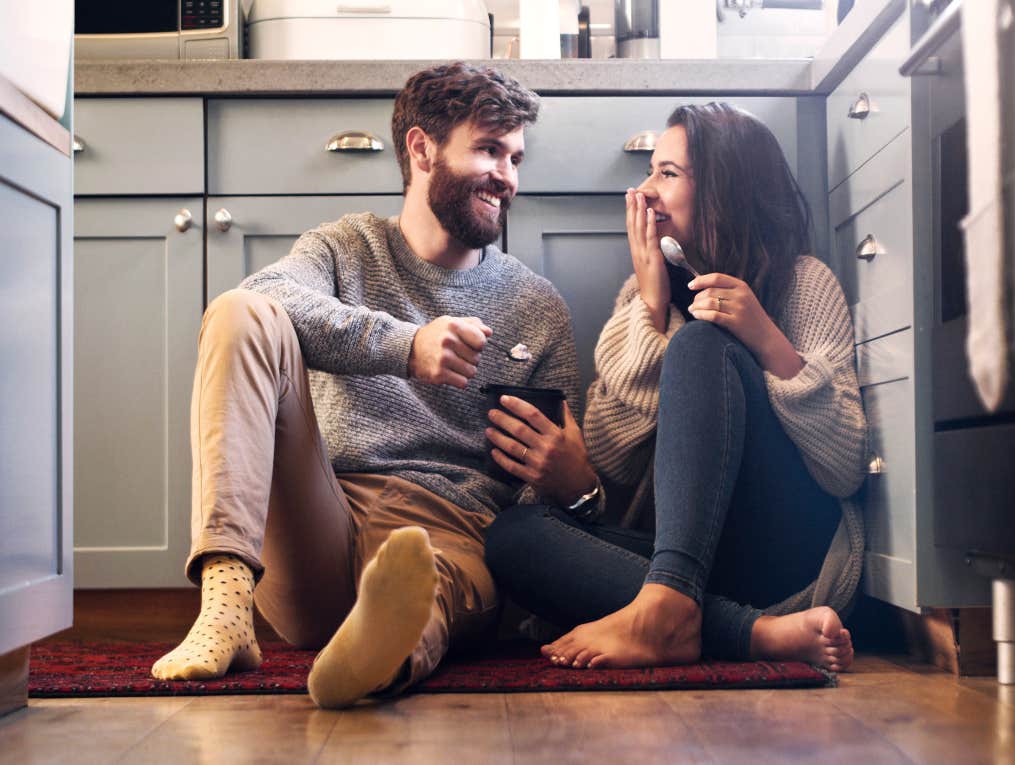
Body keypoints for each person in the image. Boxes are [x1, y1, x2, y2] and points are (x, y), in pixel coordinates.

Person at [149, 62, 590, 709]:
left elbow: (546, 503)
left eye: (516, 157)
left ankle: (379, 654)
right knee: (240, 313)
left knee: (425, 580)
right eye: (490, 150)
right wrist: (405, 345)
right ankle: (224, 605)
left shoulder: (536, 304)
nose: (508, 176)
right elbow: (262, 295)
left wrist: (573, 482)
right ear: (421, 148)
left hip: (450, 527)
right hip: (322, 516)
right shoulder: (344, 248)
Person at [483, 102, 867, 671]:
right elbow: (615, 471)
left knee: (702, 344)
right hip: (695, 566)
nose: (645, 192)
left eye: (668, 174)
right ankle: (749, 632)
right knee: (514, 537)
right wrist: (651, 308)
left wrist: (767, 341)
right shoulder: (640, 298)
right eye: (649, 172)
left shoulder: (803, 283)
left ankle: (672, 606)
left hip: (790, 552)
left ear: (724, 192)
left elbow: (845, 467)